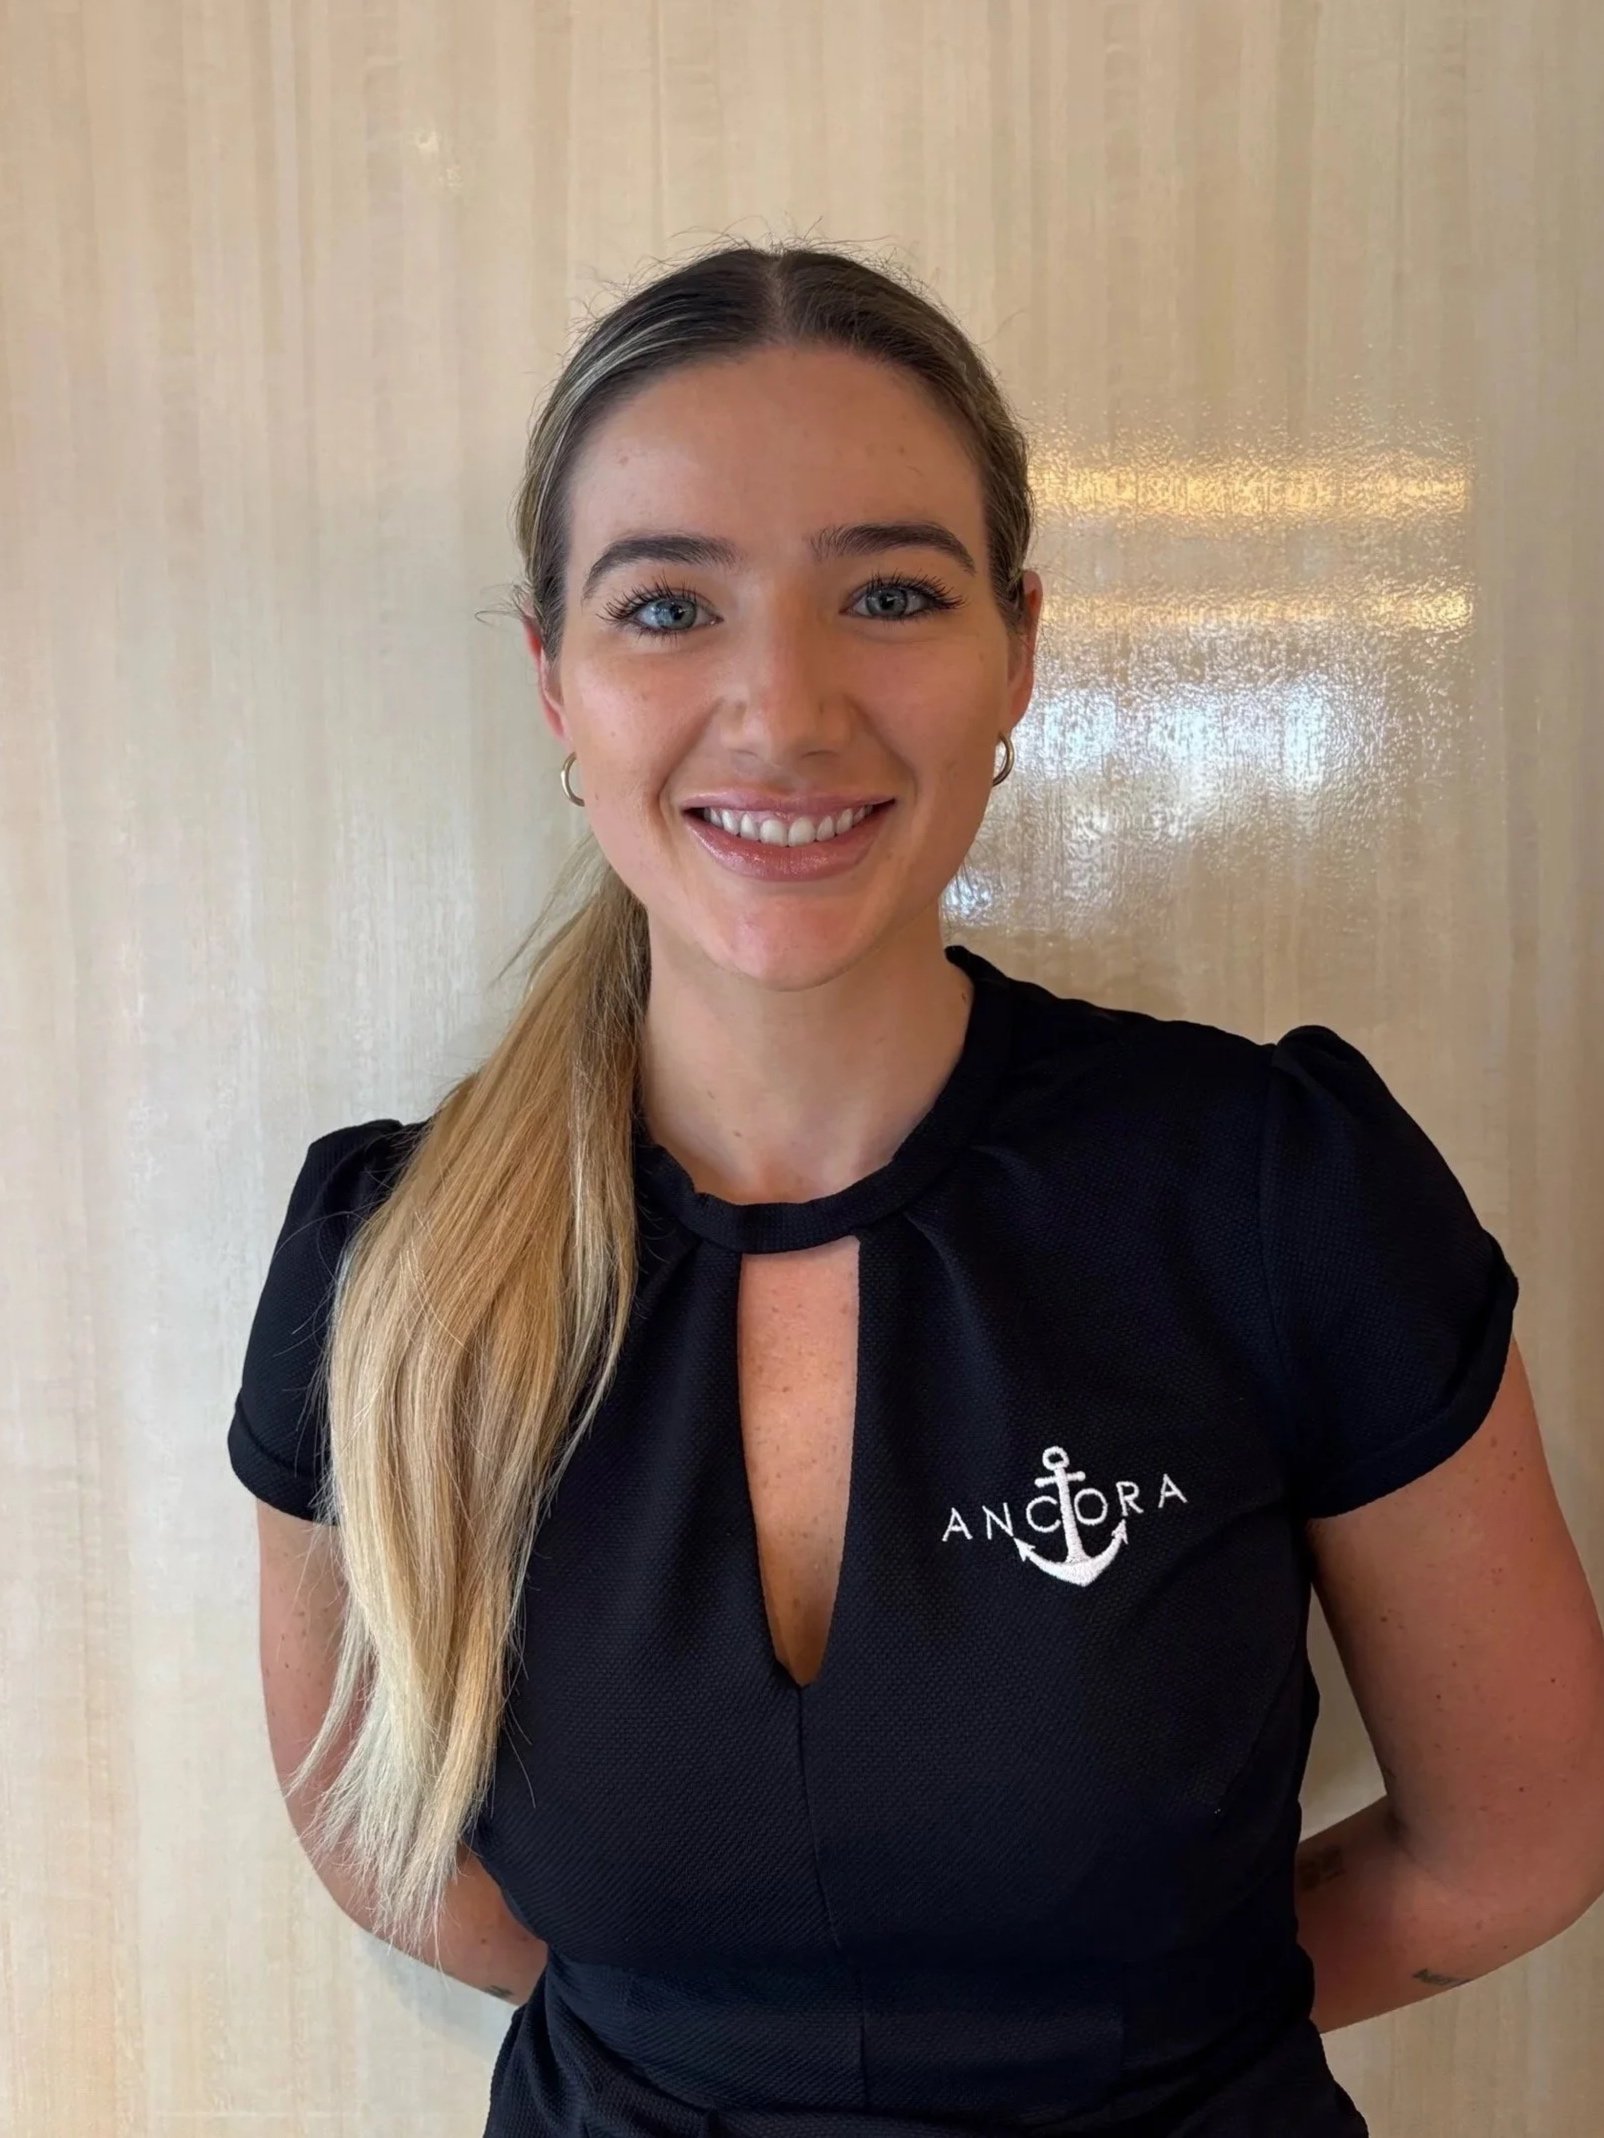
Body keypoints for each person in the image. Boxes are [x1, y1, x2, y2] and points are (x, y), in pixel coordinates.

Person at [227, 240, 1604, 2138]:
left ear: (1017, 647)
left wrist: (1134, 2037)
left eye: (888, 591)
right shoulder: (383, 1264)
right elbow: (398, 1854)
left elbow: (1511, 1847)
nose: (784, 710)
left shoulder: (1277, 1196)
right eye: (665, 607)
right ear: (553, 676)